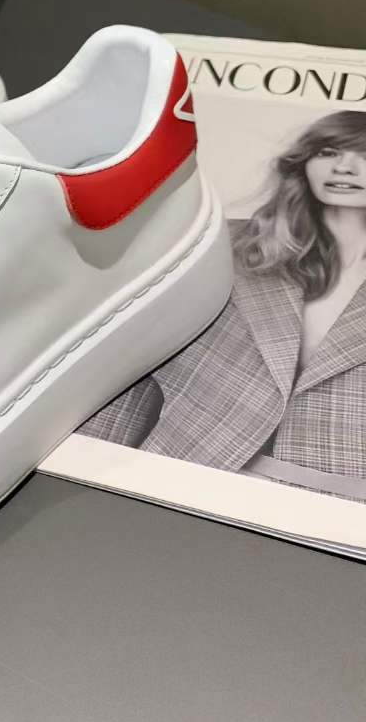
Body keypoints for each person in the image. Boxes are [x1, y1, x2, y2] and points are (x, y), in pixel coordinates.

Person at [82, 110, 366, 501]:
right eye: (328, 152)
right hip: (178, 473)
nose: (345, 167)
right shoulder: (220, 243)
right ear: (304, 161)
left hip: (337, 508)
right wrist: (85, 469)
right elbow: (136, 365)